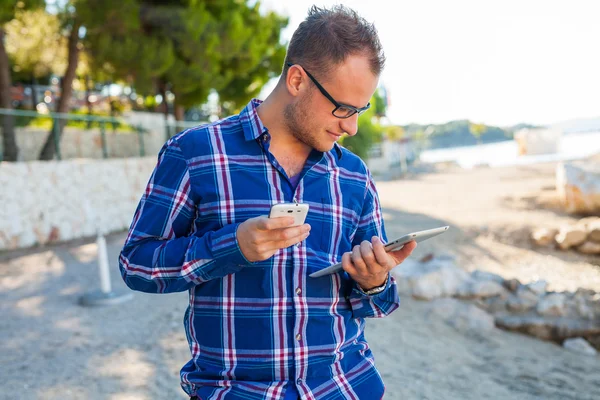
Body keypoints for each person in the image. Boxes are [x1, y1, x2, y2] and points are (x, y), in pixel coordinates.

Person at [119, 5, 416, 400]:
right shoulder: (194, 153)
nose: (352, 126)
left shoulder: (354, 175)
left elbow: (378, 306)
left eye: (360, 110)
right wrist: (230, 248)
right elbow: (136, 264)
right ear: (297, 80)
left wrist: (374, 281)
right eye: (343, 108)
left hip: (346, 387)